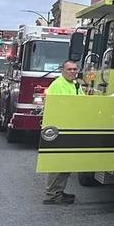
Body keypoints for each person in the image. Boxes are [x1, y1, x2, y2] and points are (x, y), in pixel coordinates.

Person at [42, 60, 80, 205]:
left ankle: (57, 191)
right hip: (61, 129)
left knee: (65, 163)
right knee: (58, 164)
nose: (72, 72)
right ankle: (52, 195)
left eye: (75, 69)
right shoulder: (58, 85)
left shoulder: (75, 85)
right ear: (62, 70)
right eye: (69, 69)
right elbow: (58, 107)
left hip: (70, 127)